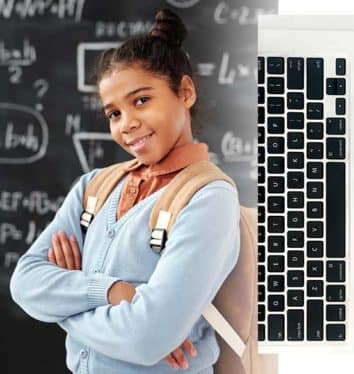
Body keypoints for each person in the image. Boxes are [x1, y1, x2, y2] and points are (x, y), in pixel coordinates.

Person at [9, 9, 239, 373]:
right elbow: (24, 283)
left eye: (142, 101)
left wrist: (61, 303)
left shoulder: (208, 198)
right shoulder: (95, 186)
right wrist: (113, 292)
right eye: (114, 113)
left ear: (186, 92)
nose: (127, 123)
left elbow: (146, 338)